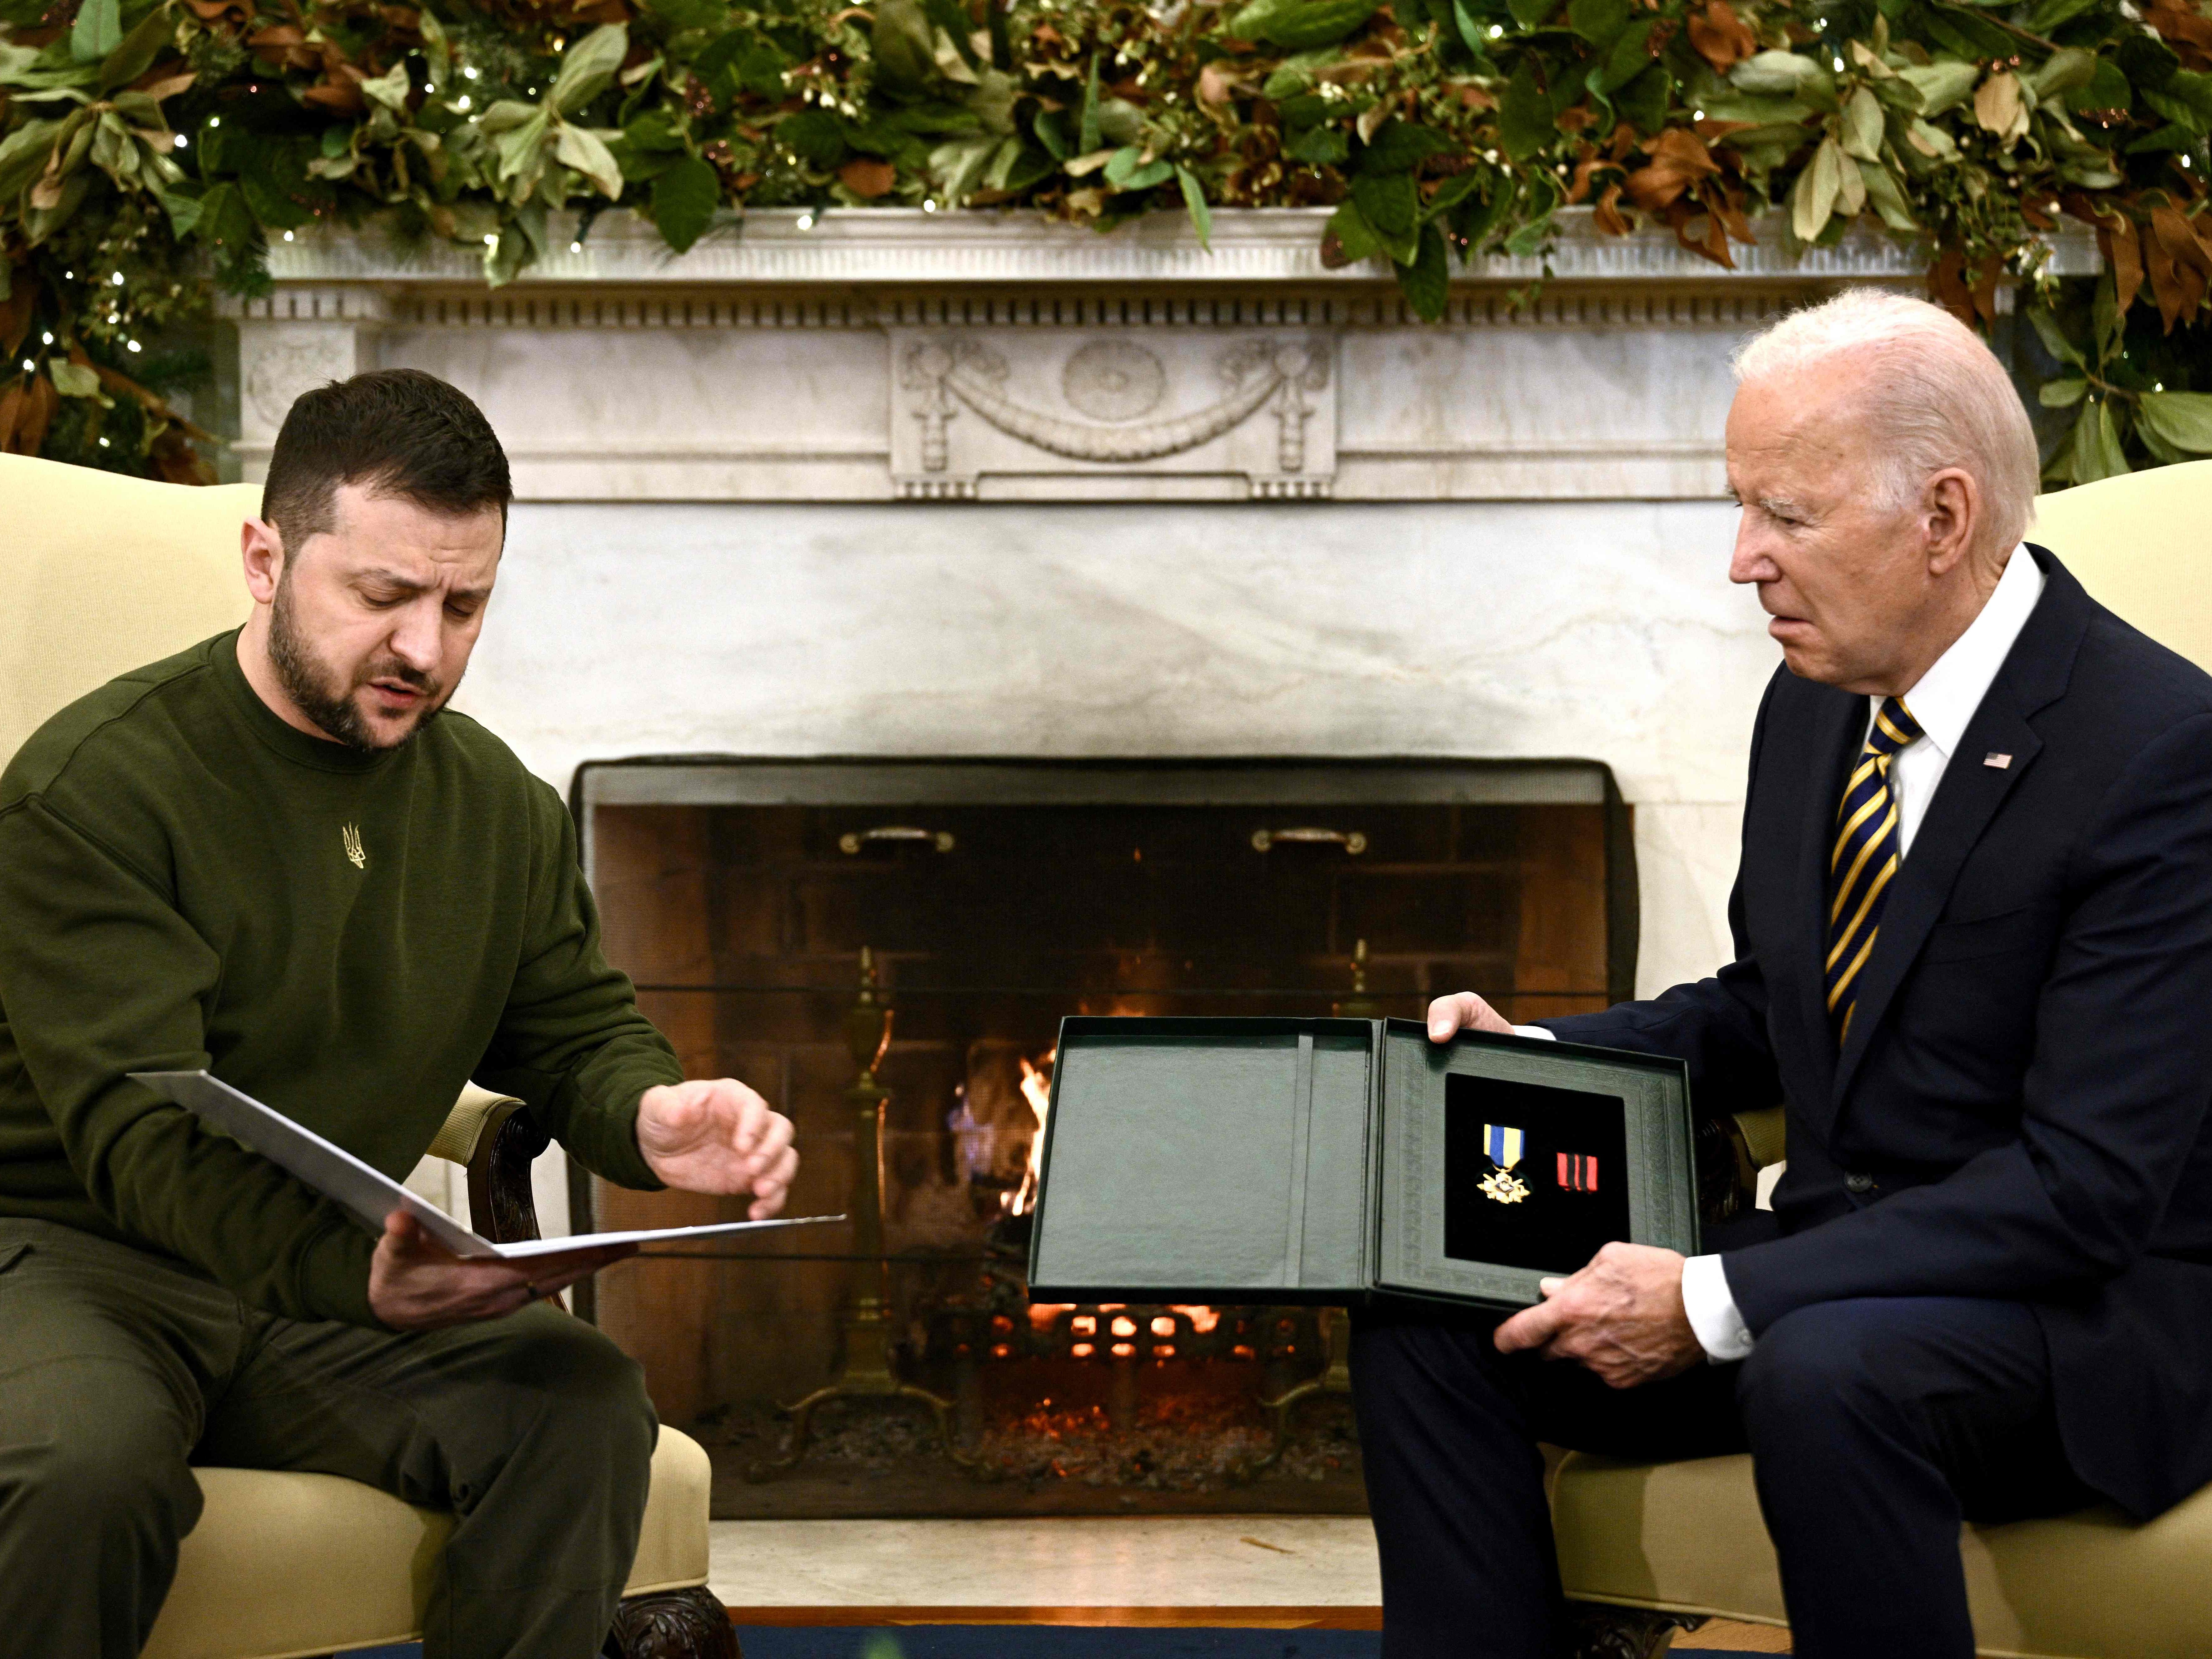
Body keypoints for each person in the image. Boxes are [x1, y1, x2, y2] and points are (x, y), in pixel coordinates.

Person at [1354, 290, 2212, 1659]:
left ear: (1941, 518)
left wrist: (1704, 1304)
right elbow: (1777, 1004)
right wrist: (1554, 1056)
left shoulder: (2165, 756)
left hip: (2092, 1316)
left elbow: (2085, 1190)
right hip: (1836, 1270)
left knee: (1823, 1372)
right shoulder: (1818, 699)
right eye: (1739, 506)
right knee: (1434, 1317)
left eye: (1788, 517)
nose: (1744, 561)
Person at [0, 369, 801, 1657]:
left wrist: (654, 1113)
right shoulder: (95, 791)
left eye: (463, 604)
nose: (425, 650)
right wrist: (357, 1273)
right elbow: (142, 1141)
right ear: (266, 561)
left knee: (576, 1396)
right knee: (78, 1470)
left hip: (321, 1287)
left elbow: (570, 1030)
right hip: (70, 1258)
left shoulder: (494, 803)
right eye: (380, 597)